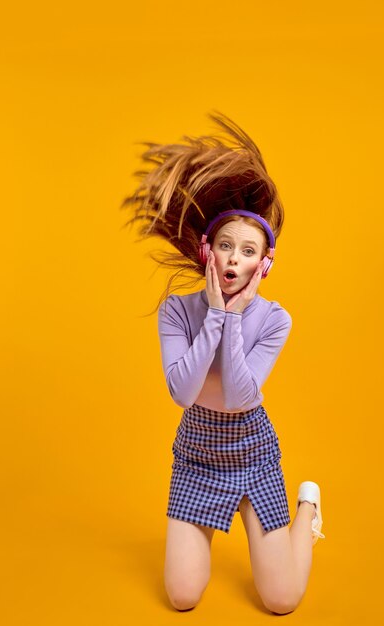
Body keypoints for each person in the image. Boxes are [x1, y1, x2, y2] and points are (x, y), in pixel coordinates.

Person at [121, 112, 325, 615]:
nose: (235, 260)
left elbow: (237, 395)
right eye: (227, 247)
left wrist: (233, 317)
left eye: (249, 251)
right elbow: (183, 393)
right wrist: (215, 314)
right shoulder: (177, 311)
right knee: (183, 596)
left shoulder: (275, 320)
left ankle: (308, 507)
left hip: (253, 450)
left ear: (265, 263)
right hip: (197, 453)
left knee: (282, 599)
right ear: (207, 250)